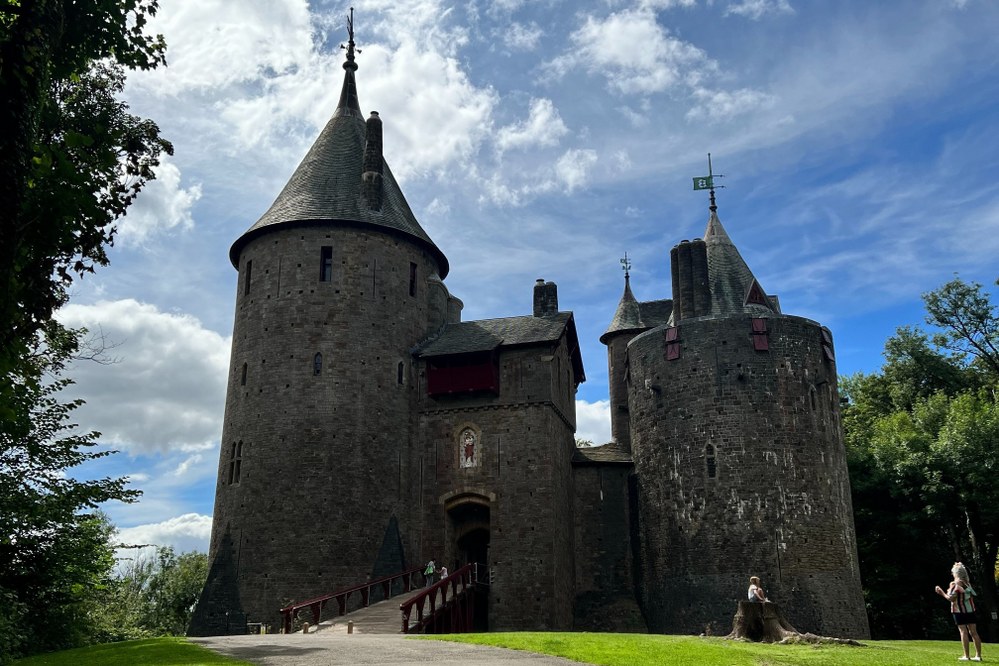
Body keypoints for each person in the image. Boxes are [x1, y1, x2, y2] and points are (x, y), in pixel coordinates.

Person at [935, 562, 983, 662]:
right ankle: (978, 656)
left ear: (955, 573)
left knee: (963, 632)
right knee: (974, 633)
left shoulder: (955, 584)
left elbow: (951, 598)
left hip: (959, 611)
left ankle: (966, 656)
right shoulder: (967, 583)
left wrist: (941, 592)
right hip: (970, 610)